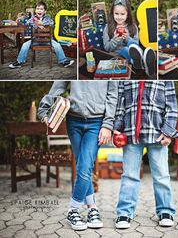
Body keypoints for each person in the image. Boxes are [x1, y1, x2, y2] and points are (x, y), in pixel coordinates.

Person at [38, 81, 118, 231]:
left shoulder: (110, 67)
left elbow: (113, 96)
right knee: (83, 166)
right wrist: (43, 109)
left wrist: (108, 125)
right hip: (73, 121)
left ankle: (73, 210)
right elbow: (59, 85)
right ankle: (92, 208)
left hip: (97, 122)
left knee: (85, 167)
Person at [113, 81, 178, 229]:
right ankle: (124, 212)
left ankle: (166, 210)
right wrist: (117, 127)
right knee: (129, 175)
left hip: (157, 134)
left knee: (161, 175)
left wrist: (168, 132)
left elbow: (172, 106)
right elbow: (120, 104)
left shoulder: (164, 80)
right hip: (131, 133)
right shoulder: (125, 79)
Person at [9, 1, 74, 69]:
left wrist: (42, 23)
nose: (39, 10)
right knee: (25, 45)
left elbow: (51, 23)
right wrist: (36, 23)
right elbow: (28, 22)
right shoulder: (33, 18)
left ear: (45, 11)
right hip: (35, 40)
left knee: (57, 45)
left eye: (41, 9)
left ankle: (64, 61)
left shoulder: (47, 18)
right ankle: (19, 62)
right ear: (35, 10)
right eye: (38, 9)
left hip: (47, 40)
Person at [103, 0, 156, 77]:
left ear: (127, 14)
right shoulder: (108, 27)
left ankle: (140, 62)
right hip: (117, 56)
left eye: (122, 14)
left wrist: (127, 38)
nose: (119, 17)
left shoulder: (132, 27)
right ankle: (144, 64)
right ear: (112, 13)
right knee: (125, 49)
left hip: (132, 54)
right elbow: (107, 48)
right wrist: (115, 40)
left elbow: (136, 45)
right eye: (116, 14)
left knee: (130, 46)